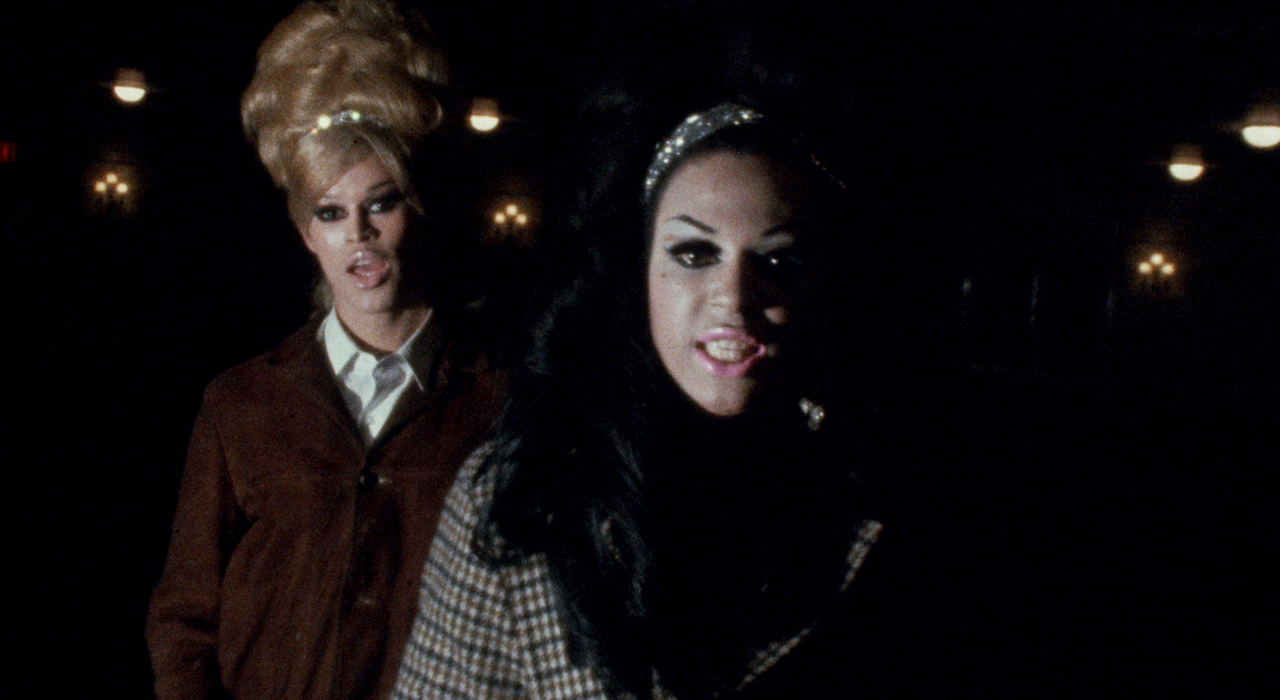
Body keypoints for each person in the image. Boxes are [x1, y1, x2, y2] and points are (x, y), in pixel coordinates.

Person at [391, 101, 882, 700]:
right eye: (695, 254)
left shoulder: (871, 495)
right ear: (640, 270)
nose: (734, 297)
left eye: (779, 261)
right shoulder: (529, 499)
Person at [145, 2, 505, 699]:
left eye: (382, 203)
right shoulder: (242, 405)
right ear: (306, 233)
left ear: (417, 208)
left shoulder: (495, 401)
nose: (358, 235)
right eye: (331, 212)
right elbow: (184, 620)